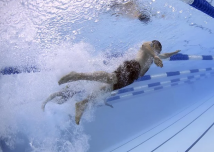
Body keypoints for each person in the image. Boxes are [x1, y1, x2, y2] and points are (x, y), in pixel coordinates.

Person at [43, 40, 180, 125]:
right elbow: (147, 47)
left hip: (131, 78)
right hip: (132, 66)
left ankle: (82, 103)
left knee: (106, 89)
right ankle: (77, 75)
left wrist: (173, 53)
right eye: (156, 48)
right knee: (110, 78)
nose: (157, 51)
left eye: (158, 51)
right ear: (153, 45)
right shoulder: (148, 46)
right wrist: (155, 55)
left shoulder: (154, 56)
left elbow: (164, 55)